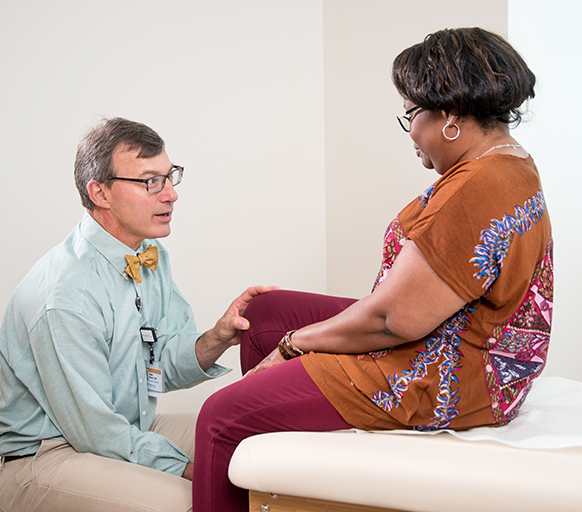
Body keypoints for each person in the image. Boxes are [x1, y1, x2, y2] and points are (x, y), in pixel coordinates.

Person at [191, 27, 553, 511]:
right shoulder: (506, 161)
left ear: (448, 116)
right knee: (266, 311)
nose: (411, 135)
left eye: (411, 116)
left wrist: (292, 346)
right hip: (461, 338)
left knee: (219, 416)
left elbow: (391, 321)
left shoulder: (477, 188)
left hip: (446, 371)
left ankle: (232, 454)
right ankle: (269, 471)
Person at [0, 117, 274, 512]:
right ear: (100, 192)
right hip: (51, 454)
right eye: (150, 181)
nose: (171, 194)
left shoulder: (148, 258)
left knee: (256, 438)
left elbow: (156, 371)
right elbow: (95, 430)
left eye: (170, 176)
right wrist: (185, 467)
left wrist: (219, 336)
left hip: (125, 428)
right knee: (199, 499)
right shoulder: (65, 293)